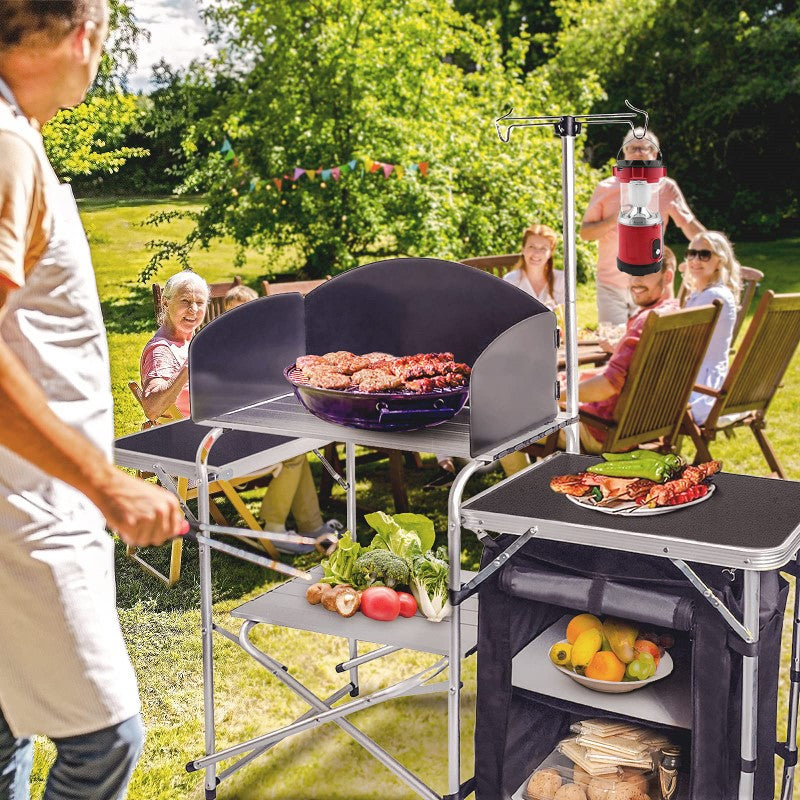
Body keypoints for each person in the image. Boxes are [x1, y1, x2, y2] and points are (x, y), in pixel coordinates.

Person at [0, 4, 185, 799]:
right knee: (105, 741)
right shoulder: (6, 146)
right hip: (30, 506)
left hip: (33, 496)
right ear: (84, 34)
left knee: (5, 728)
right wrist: (105, 483)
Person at [141, 272, 339, 549]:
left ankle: (310, 528)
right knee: (292, 452)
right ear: (165, 303)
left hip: (213, 432)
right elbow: (152, 406)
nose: (194, 310)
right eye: (185, 302)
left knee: (293, 442)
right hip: (197, 448)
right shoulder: (162, 350)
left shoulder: (189, 341)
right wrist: (188, 369)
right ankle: (275, 529)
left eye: (200, 303)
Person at [580, 127, 705, 326]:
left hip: (653, 284)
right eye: (632, 148)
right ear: (624, 154)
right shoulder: (606, 188)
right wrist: (614, 220)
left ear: (655, 154)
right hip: (612, 285)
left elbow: (693, 231)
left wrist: (711, 247)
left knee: (655, 344)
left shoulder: (666, 187)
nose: (637, 152)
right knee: (613, 343)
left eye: (644, 148)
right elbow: (585, 233)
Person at [559, 258, 679, 453]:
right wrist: (575, 378)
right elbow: (626, 375)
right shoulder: (674, 314)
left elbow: (608, 385)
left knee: (510, 417)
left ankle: (524, 482)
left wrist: (555, 396)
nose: (635, 282)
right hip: (638, 427)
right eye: (632, 273)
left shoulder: (648, 322)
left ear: (668, 276)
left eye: (645, 273)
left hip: (602, 431)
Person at [682, 231, 740, 425]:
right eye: (692, 253)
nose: (695, 260)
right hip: (704, 382)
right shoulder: (708, 293)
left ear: (720, 261)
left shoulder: (713, 297)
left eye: (704, 254)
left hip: (700, 392)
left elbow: (680, 342)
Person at [502, 223, 565, 310]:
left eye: (543, 248)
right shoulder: (510, 280)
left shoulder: (562, 280)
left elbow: (566, 318)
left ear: (550, 253)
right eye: (531, 246)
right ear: (523, 249)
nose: (536, 253)